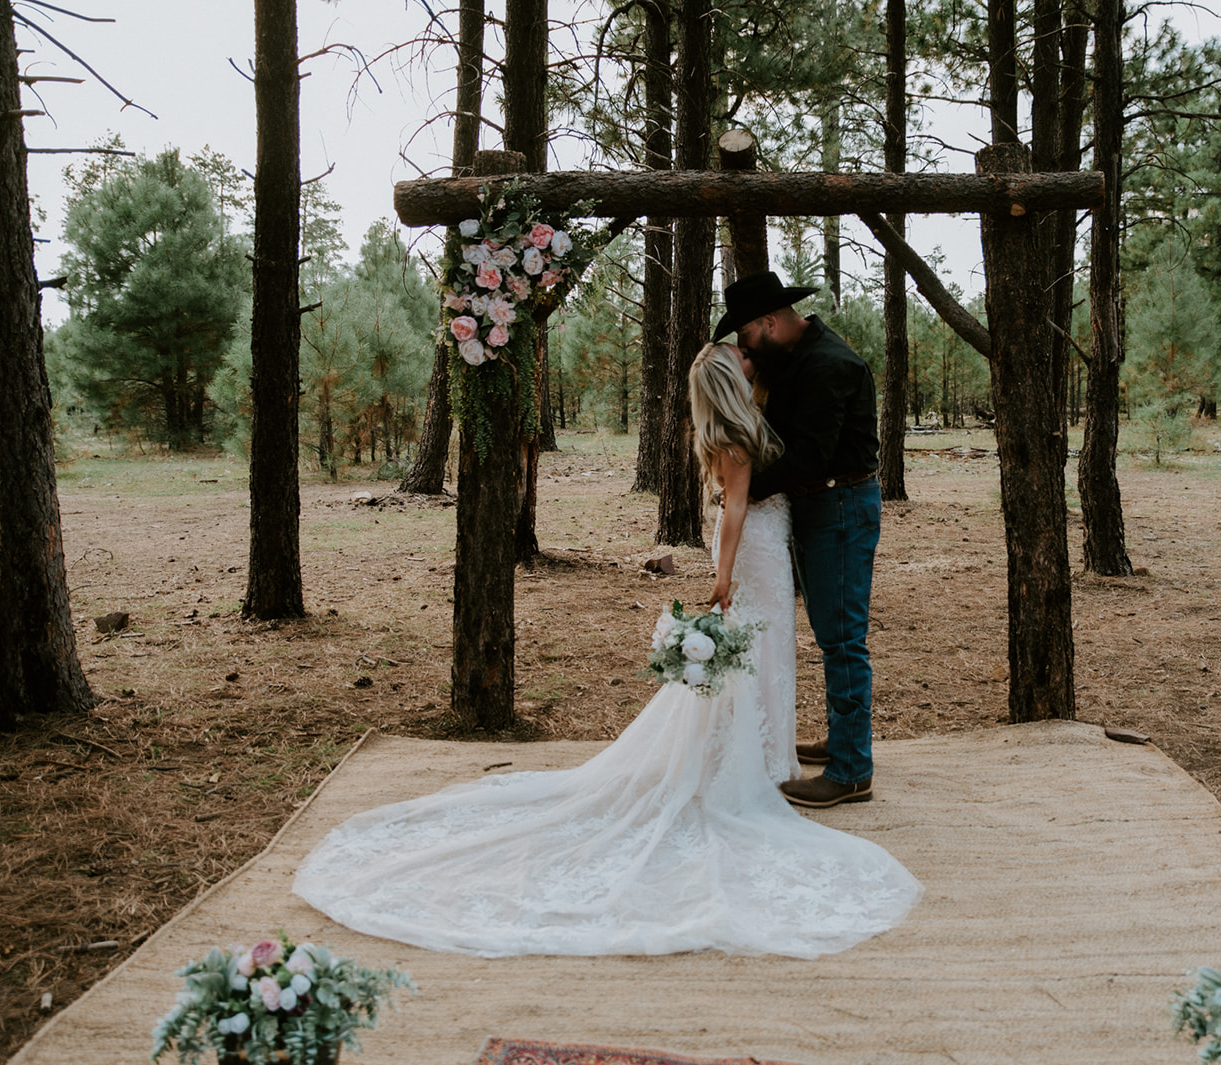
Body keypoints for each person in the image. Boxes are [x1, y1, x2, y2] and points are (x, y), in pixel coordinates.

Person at [292, 343, 920, 959]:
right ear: (731, 382)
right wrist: (723, 575)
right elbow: (732, 510)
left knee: (763, 656)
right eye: (742, 360)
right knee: (758, 654)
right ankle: (749, 762)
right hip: (752, 560)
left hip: (764, 553)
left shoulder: (743, 424)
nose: (752, 361)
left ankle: (763, 752)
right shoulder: (735, 437)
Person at [711, 271, 880, 810]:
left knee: (842, 636)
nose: (743, 348)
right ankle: (842, 740)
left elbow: (810, 454)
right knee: (830, 629)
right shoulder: (791, 360)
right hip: (814, 506)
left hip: (841, 506)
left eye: (744, 337)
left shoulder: (830, 364)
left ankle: (852, 769)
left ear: (768, 323)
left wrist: (743, 488)